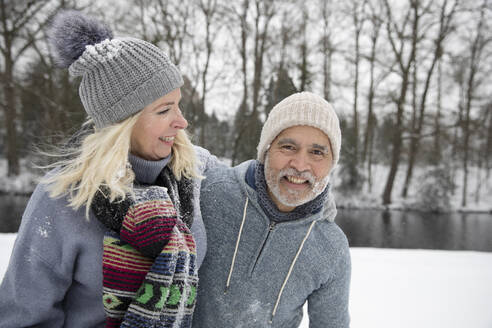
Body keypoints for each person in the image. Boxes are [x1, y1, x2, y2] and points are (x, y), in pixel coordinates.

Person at [0, 10, 215, 328]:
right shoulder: (63, 196)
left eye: (178, 104)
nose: (181, 121)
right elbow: (22, 317)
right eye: (164, 109)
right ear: (122, 123)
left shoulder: (191, 177)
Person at [192, 92, 351, 327]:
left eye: (317, 152)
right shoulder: (209, 191)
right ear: (266, 150)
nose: (299, 165)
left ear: (331, 163)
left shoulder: (331, 248)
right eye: (288, 147)